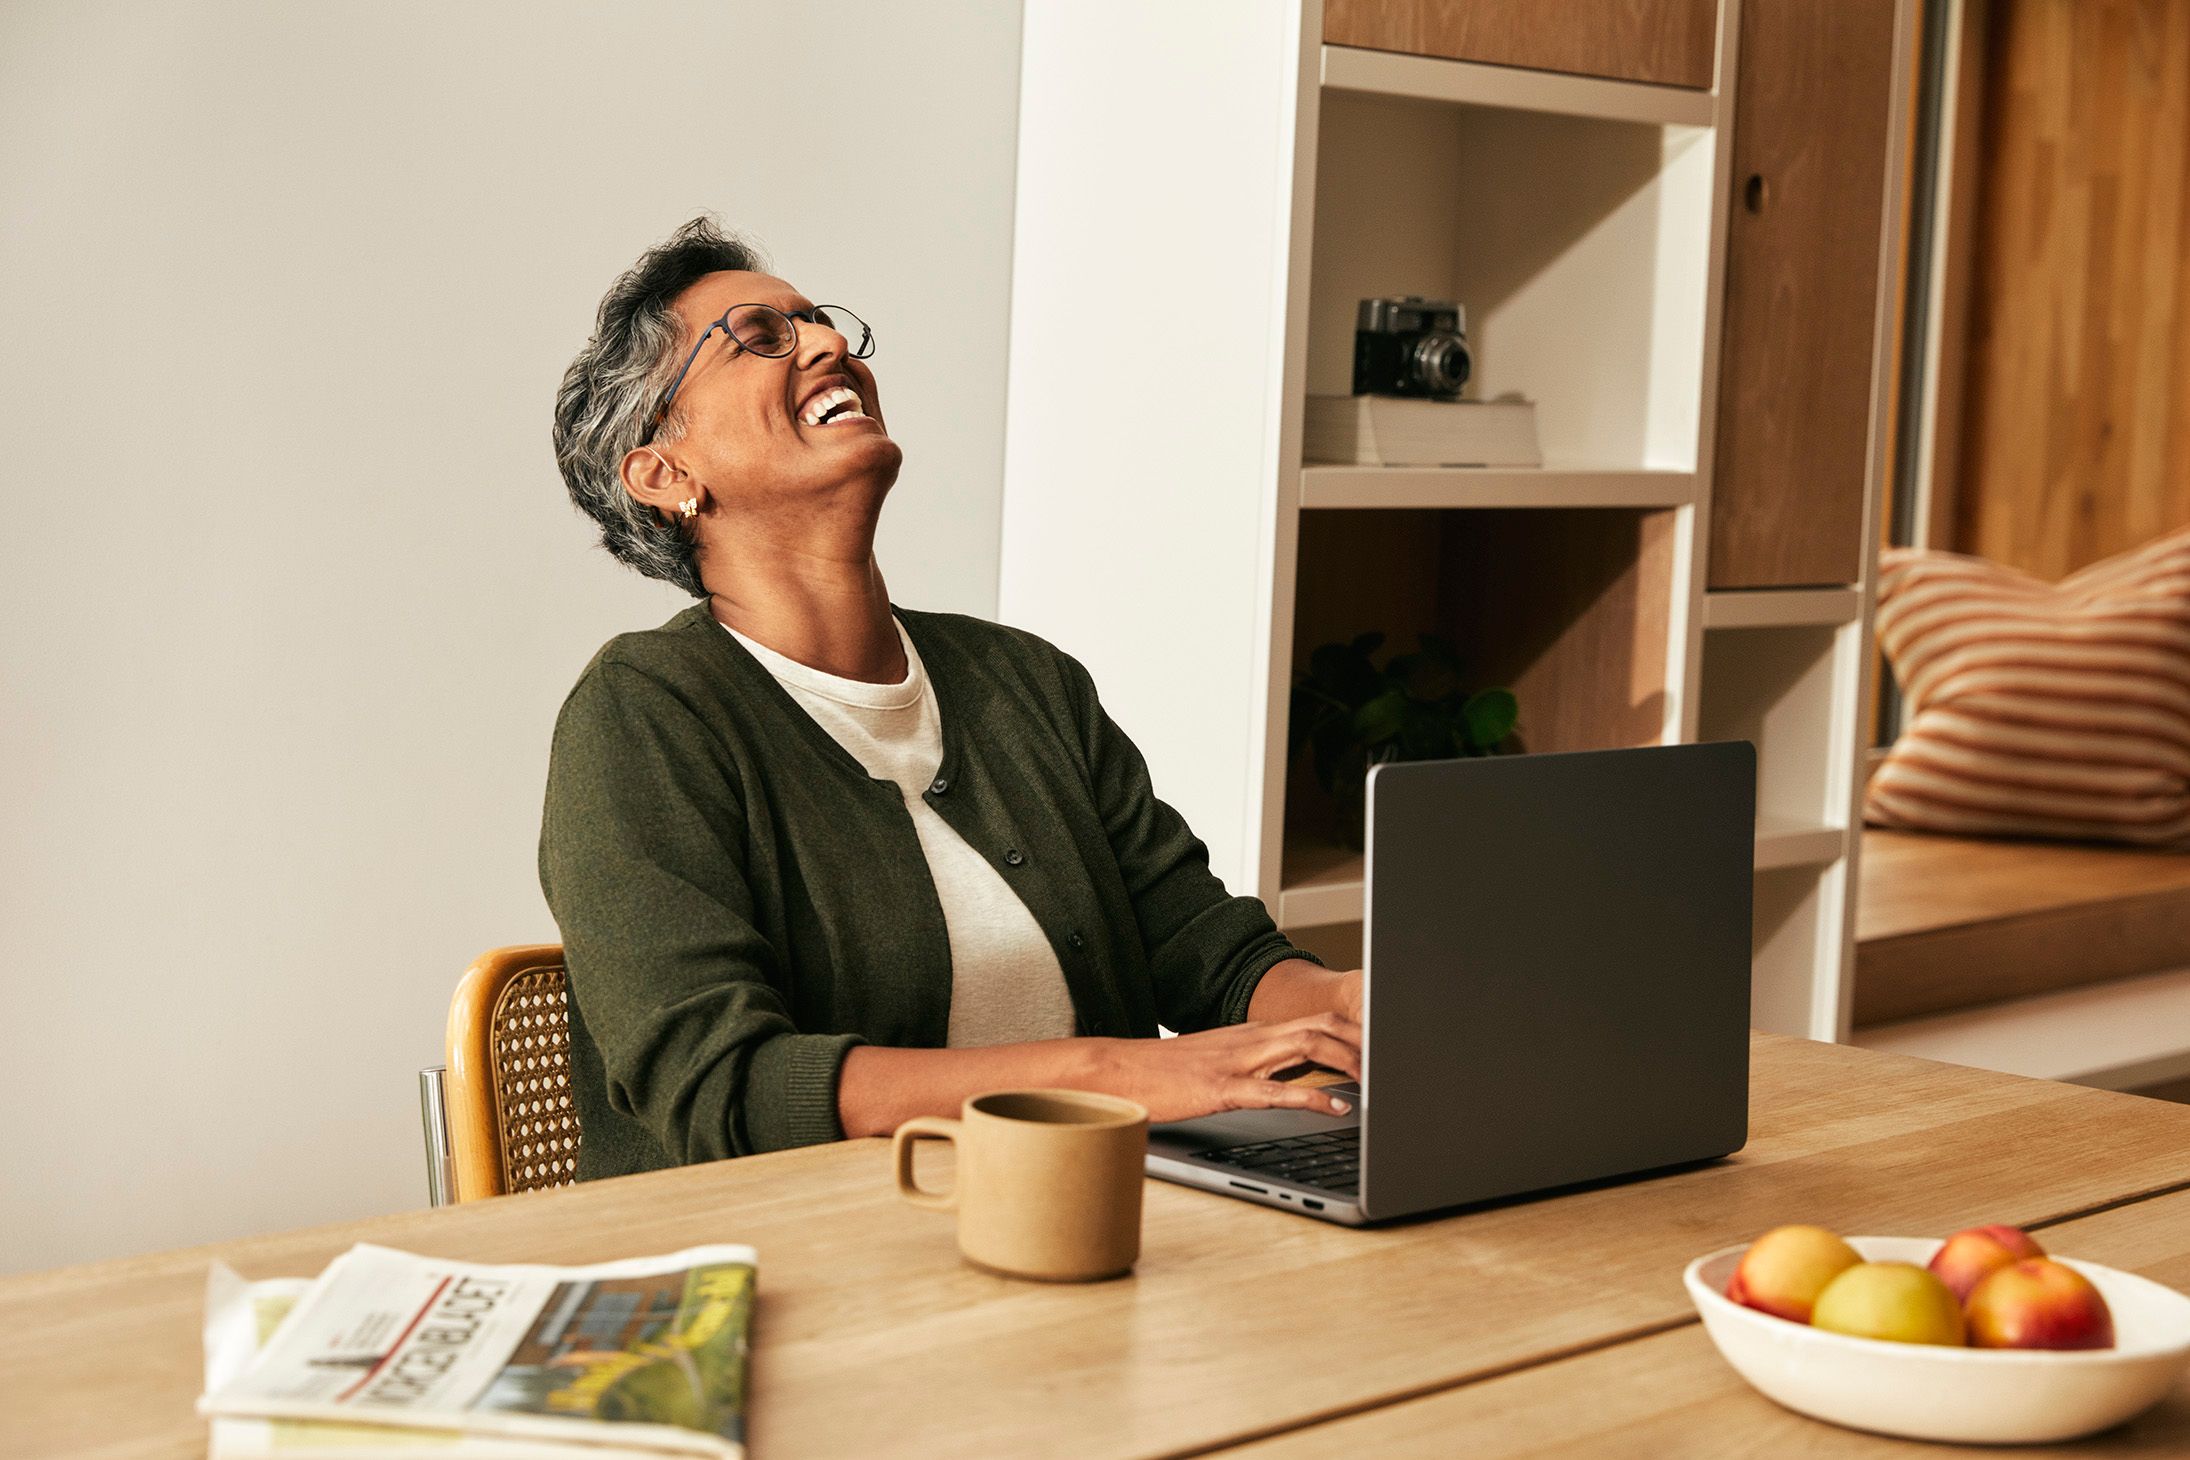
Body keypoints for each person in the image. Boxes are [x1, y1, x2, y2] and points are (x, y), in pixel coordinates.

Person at [542, 216, 1362, 1180]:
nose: (828, 344)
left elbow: (1205, 950)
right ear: (664, 474)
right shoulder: (643, 715)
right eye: (761, 338)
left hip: (1100, 1219)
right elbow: (726, 1085)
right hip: (805, 1266)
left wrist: (1341, 1004)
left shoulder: (1027, 682)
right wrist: (1113, 1074)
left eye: (820, 322)